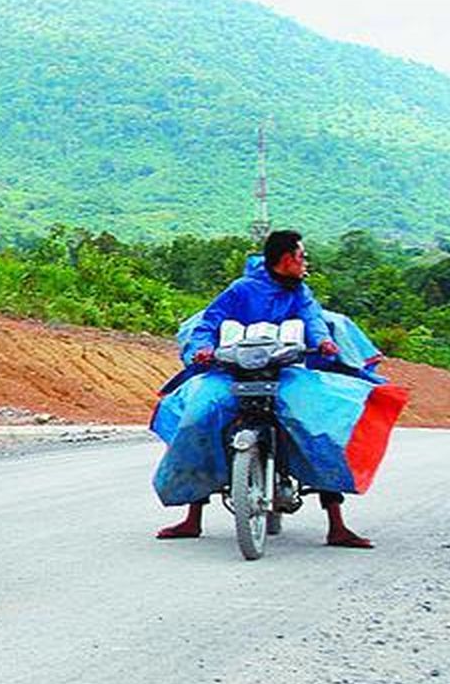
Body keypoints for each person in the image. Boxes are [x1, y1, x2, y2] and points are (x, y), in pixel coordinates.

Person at [155, 229, 374, 549]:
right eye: (302, 256)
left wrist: (323, 341)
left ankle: (336, 523)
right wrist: (202, 347)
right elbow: (209, 322)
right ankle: (192, 518)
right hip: (230, 372)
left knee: (319, 424)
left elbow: (312, 319)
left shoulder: (300, 291)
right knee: (199, 418)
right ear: (286, 259)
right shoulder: (241, 290)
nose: (305, 262)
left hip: (284, 372)